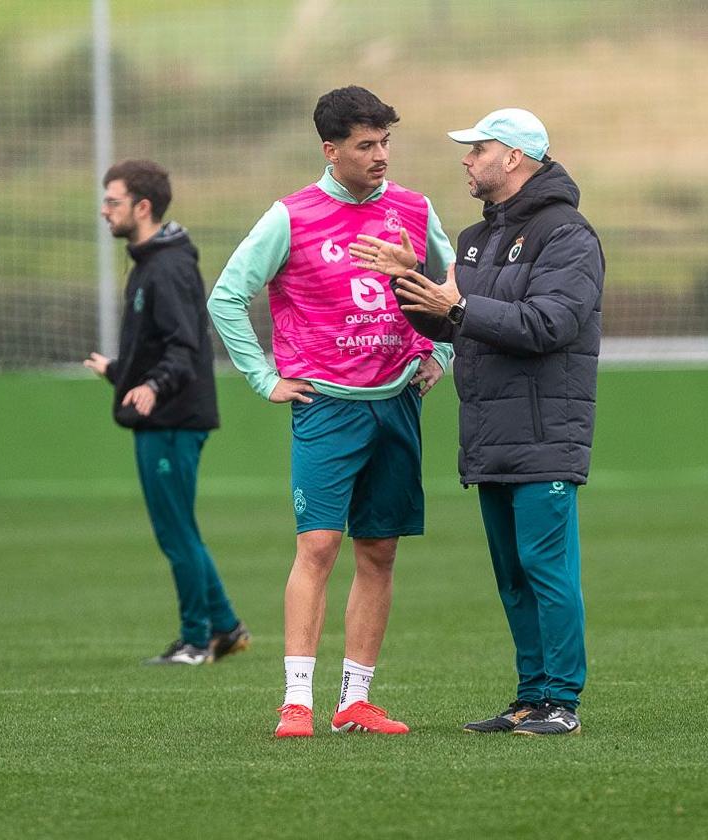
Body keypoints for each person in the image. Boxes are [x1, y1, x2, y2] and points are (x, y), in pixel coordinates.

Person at [208, 86, 456, 737]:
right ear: (330, 149)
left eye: (385, 143)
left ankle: (356, 701)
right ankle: (297, 702)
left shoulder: (412, 207)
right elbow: (226, 297)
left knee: (379, 552)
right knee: (318, 545)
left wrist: (441, 351)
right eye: (366, 145)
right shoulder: (290, 217)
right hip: (327, 408)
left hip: (397, 402)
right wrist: (264, 377)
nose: (380, 156)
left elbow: (457, 284)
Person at [350, 108, 605, 736]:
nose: (466, 159)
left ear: (514, 157)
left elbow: (550, 324)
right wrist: (406, 278)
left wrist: (459, 304)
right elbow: (448, 321)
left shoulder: (568, 234)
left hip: (545, 431)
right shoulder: (473, 238)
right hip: (490, 434)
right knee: (513, 575)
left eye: (478, 149)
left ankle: (561, 703)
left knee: (546, 568)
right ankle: (530, 696)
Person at [85, 159, 250, 667]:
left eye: (112, 202)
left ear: (142, 206)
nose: (104, 210)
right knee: (179, 528)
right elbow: (160, 347)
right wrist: (121, 372)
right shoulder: (149, 262)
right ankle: (225, 627)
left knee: (176, 531)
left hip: (174, 419)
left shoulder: (169, 266)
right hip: (161, 413)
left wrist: (153, 386)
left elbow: (183, 347)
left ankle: (195, 640)